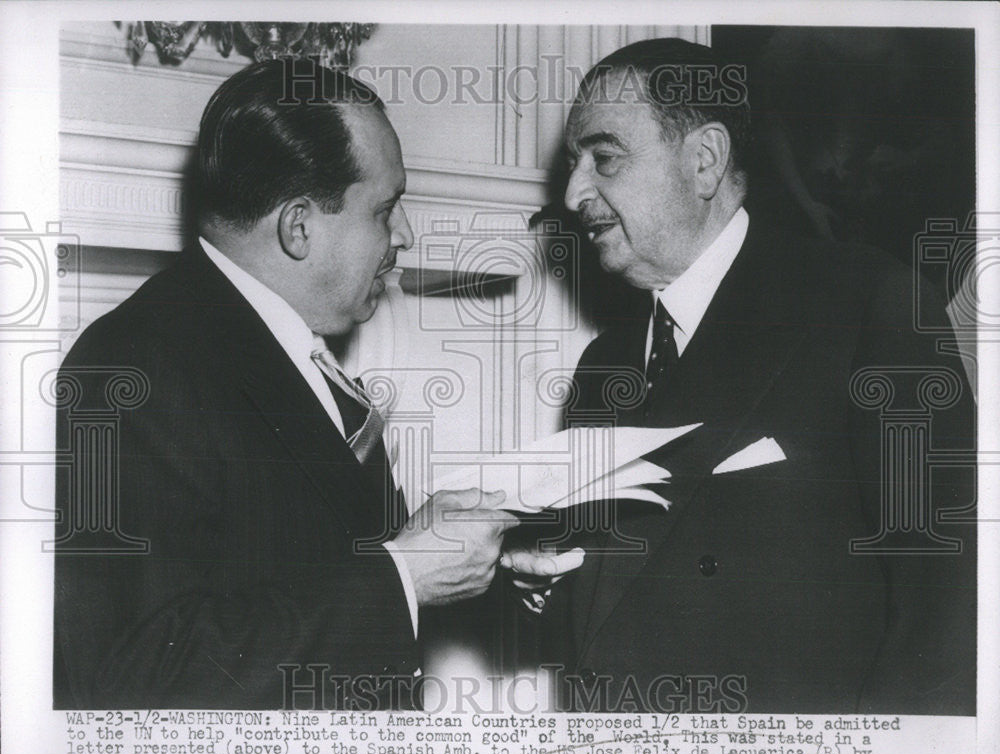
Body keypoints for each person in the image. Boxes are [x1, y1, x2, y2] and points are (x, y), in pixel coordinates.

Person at [53, 58, 572, 710]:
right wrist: (406, 572)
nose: (404, 235)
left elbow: (294, 569)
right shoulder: (131, 365)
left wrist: (459, 556)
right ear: (299, 227)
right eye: (386, 209)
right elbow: (136, 676)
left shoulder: (271, 347)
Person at [538, 38, 976, 714]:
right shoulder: (603, 369)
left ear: (704, 160)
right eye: (573, 163)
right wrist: (539, 576)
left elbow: (948, 609)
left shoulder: (867, 306)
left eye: (605, 157)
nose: (573, 193)